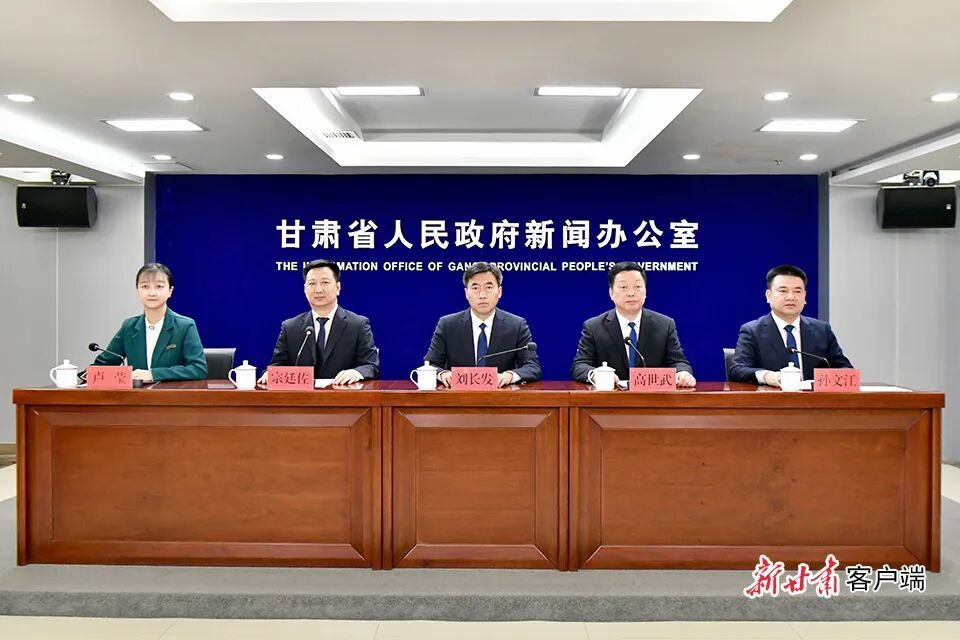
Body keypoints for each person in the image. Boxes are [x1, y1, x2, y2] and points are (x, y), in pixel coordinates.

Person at [571, 261, 696, 387]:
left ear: (645, 291)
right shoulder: (594, 327)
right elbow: (579, 365)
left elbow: (679, 362)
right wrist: (595, 374)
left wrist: (683, 373)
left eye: (637, 286)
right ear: (611, 293)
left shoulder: (665, 325)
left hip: (652, 397)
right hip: (610, 396)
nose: (631, 293)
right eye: (623, 287)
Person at [729, 264, 853, 386]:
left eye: (797, 291)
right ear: (768, 295)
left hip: (814, 398)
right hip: (772, 397)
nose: (791, 297)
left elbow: (845, 369)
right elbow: (737, 370)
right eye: (783, 291)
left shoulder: (822, 330)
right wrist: (767, 376)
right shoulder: (752, 331)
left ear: (804, 296)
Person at [423, 262, 541, 388]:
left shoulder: (516, 325)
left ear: (499, 291)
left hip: (501, 396)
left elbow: (532, 367)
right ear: (466, 293)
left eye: (489, 287)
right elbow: (430, 364)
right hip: (458, 396)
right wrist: (443, 374)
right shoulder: (447, 325)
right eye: (475, 288)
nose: (482, 295)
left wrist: (509, 376)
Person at [264, 258, 379, 384]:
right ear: (305, 289)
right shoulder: (290, 327)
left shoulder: (357, 325)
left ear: (338, 287)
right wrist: (269, 374)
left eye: (325, 282)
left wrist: (356, 372)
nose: (318, 290)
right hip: (302, 396)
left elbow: (371, 366)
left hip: (343, 394)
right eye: (312, 283)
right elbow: (277, 366)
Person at [92, 263, 207, 381]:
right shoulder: (129, 326)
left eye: (159, 286)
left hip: (172, 392)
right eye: (145, 286)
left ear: (170, 291)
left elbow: (198, 369)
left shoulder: (185, 326)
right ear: (138, 290)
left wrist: (153, 374)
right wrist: (84, 376)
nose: (152, 293)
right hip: (137, 392)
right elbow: (103, 364)